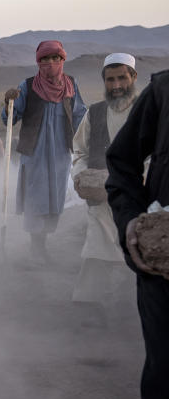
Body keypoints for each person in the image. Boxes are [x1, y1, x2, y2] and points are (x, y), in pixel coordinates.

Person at [105, 68, 169, 399]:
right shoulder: (165, 91)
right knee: (167, 372)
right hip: (165, 266)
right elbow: (122, 162)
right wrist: (131, 221)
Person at [2, 40, 88, 262]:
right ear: (38, 62)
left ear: (62, 59)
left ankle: (43, 242)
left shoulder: (71, 85)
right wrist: (8, 103)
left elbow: (80, 115)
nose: (51, 63)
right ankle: (36, 245)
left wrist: (91, 137)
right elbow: (9, 119)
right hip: (35, 152)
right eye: (45, 59)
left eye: (55, 58)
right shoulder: (28, 86)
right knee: (36, 198)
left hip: (60, 151)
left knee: (54, 199)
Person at [71, 53, 139, 306]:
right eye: (110, 80)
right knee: (96, 249)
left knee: (139, 251)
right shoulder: (95, 113)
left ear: (133, 77)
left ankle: (134, 306)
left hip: (139, 199)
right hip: (100, 200)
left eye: (122, 78)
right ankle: (87, 305)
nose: (117, 85)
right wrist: (83, 178)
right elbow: (80, 151)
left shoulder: (149, 111)